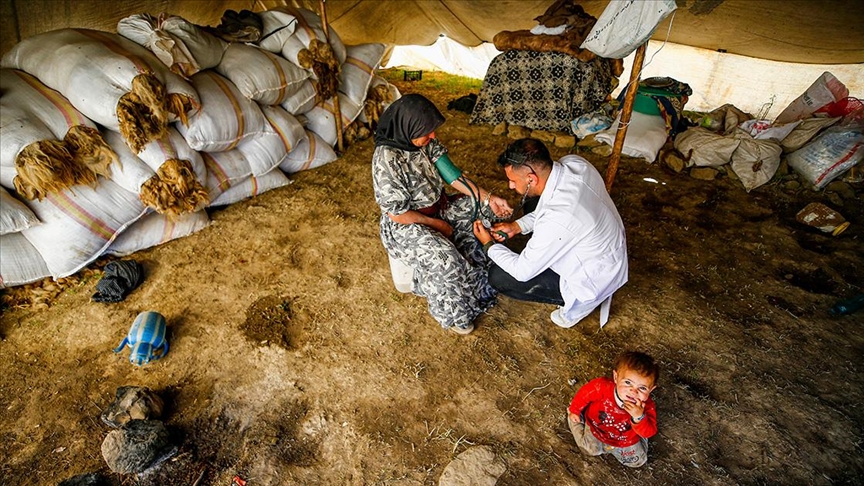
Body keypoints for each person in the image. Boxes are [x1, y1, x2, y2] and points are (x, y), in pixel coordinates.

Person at [372, 94, 513, 334]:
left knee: (490, 211)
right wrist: (437, 226)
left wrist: (489, 198)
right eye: (426, 131)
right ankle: (455, 314)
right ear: (408, 127)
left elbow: (453, 177)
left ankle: (481, 274)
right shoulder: (387, 159)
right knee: (445, 260)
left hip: (440, 208)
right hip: (410, 223)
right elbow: (398, 214)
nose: (433, 136)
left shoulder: (424, 142)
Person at [472, 138, 628, 328]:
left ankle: (577, 303)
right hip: (606, 248)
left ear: (531, 178)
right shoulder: (575, 163)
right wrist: (516, 227)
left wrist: (489, 245)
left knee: (499, 276)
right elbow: (548, 208)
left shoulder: (559, 216)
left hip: (593, 277)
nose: (510, 186)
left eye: (512, 181)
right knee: (533, 202)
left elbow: (523, 271)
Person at [567, 351, 659, 468]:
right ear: (616, 377)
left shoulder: (647, 406)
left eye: (642, 388)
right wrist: (575, 409)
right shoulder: (602, 387)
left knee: (638, 461)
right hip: (596, 428)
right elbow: (584, 394)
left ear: (651, 390)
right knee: (589, 450)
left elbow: (650, 432)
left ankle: (640, 438)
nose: (633, 391)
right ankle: (574, 417)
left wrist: (639, 417)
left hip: (625, 439)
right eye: (628, 382)